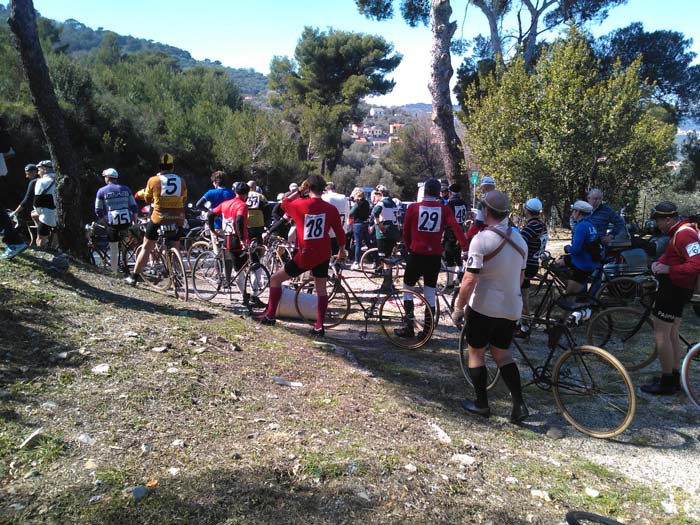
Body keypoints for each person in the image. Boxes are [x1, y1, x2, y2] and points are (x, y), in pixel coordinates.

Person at [452, 191, 529, 423]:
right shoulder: (520, 239)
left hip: (484, 305)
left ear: (486, 211)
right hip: (511, 306)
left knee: (475, 351)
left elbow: (469, 279)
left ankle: (481, 404)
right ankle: (519, 404)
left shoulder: (481, 239)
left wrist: (458, 308)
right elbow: (521, 278)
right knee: (502, 353)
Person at [255, 175, 346, 336]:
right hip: (323, 252)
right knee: (321, 290)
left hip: (306, 253)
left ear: (307, 188)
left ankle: (270, 315)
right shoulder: (331, 209)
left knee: (275, 279)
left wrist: (298, 191)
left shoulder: (299, 205)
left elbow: (284, 204)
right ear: (323, 188)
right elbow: (339, 232)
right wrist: (341, 250)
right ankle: (319, 325)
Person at [395, 178, 468, 339]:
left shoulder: (414, 208)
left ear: (425, 191)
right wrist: (464, 247)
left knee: (408, 289)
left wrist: (409, 248)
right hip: (434, 256)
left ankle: (408, 325)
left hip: (416, 254)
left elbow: (405, 232)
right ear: (438, 193)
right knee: (429, 292)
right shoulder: (444, 209)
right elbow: (456, 228)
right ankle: (427, 330)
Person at [641, 202, 700, 395]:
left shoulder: (684, 234)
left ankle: (667, 381)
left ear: (668, 219)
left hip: (674, 289)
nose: (657, 226)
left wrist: (668, 269)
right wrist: (660, 263)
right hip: (677, 288)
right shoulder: (679, 232)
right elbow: (673, 256)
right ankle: (674, 376)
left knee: (662, 333)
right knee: (672, 333)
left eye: (658, 221)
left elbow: (696, 264)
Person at [126, 153, 187, 286]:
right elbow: (184, 198)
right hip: (178, 218)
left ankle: (134, 277)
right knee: (175, 245)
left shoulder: (153, 180)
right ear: (172, 167)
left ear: (159, 166)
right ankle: (177, 276)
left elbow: (147, 198)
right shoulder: (181, 181)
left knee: (147, 247)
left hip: (159, 217)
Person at [207, 182, 258, 306]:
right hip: (239, 241)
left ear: (235, 192)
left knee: (242, 268)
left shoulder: (225, 204)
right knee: (253, 267)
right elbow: (239, 220)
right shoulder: (242, 205)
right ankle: (249, 297)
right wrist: (242, 239)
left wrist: (213, 230)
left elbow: (210, 214)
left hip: (228, 239)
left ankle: (247, 296)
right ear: (246, 194)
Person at [94, 168, 139, 273]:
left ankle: (114, 272)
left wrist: (105, 222)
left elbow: (98, 210)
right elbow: (134, 206)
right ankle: (125, 267)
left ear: (107, 178)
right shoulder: (126, 189)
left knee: (114, 249)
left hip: (112, 223)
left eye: (105, 177)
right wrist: (135, 222)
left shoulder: (101, 191)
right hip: (126, 222)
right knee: (125, 247)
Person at [514, 198, 547, 338]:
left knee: (518, 297)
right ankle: (522, 324)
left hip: (526, 265)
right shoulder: (541, 225)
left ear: (526, 210)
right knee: (523, 295)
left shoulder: (531, 227)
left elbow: (519, 244)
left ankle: (524, 327)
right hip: (534, 263)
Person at [556, 200, 600, 295]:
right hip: (590, 259)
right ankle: (577, 289)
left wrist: (567, 248)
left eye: (574, 211)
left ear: (578, 212)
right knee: (560, 262)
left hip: (583, 263)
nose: (572, 214)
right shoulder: (591, 225)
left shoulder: (581, 227)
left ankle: (574, 290)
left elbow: (575, 250)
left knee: (570, 296)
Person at [371, 184, 401, 292]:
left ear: (381, 194)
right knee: (388, 259)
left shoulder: (382, 203)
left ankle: (387, 285)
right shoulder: (393, 203)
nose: (375, 197)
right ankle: (388, 283)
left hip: (384, 235)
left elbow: (375, 212)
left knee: (385, 260)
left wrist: (378, 225)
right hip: (393, 233)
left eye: (376, 194)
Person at [442, 183, 468, 290]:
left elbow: (446, 220)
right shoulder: (464, 203)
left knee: (449, 257)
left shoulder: (450, 204)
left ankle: (450, 283)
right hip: (461, 229)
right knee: (458, 256)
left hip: (451, 232)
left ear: (450, 193)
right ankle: (459, 277)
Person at [32, 160, 58, 248]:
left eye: (39, 169)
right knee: (55, 243)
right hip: (62, 217)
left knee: (40, 240)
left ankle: (43, 257)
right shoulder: (62, 180)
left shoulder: (41, 182)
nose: (38, 172)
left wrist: (38, 213)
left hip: (47, 216)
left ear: (45, 169)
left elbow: (37, 202)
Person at [465, 176, 496, 244]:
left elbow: (478, 223)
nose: (481, 190)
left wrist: (468, 235)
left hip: (487, 234)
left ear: (485, 188)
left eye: (482, 188)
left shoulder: (483, 202)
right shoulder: (501, 200)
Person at [322, 182, 350, 256]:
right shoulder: (343, 197)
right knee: (337, 252)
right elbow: (347, 213)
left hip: (328, 230)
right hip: (341, 228)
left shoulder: (324, 197)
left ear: (326, 189)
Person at [349, 187, 372, 270]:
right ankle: (376, 260)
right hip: (365, 224)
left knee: (358, 244)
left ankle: (356, 262)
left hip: (358, 225)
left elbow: (351, 213)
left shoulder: (357, 203)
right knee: (368, 243)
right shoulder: (367, 203)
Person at [246, 180, 268, 244]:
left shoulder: (244, 196)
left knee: (248, 242)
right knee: (260, 242)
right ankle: (261, 253)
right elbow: (267, 210)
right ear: (255, 187)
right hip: (259, 222)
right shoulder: (261, 196)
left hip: (248, 222)